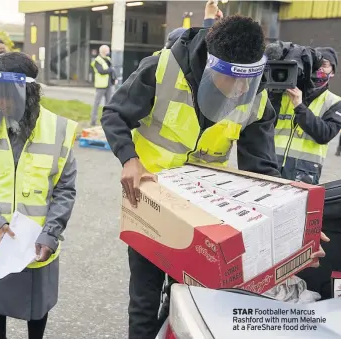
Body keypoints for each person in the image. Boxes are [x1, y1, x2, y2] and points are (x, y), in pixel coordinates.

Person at [100, 15, 327, 339]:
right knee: (144, 300)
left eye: (248, 79)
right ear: (210, 64)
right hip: (151, 200)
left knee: (194, 299)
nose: (240, 89)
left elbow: (261, 166)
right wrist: (129, 159)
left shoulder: (254, 94)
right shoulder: (162, 69)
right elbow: (114, 114)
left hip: (202, 213)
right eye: (231, 79)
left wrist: (294, 227)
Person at [0, 52, 78, 339]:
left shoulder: (57, 130)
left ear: (29, 92)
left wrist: (50, 234)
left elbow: (65, 189)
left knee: (36, 307)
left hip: (37, 243)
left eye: (7, 96)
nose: (0, 103)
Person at [273, 47, 341, 183]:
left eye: (325, 65)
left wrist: (299, 106)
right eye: (317, 64)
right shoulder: (286, 92)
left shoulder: (334, 102)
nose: (320, 69)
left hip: (304, 174)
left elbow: (324, 135)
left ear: (332, 72)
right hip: (272, 165)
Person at [89, 45, 116, 126]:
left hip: (109, 85)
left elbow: (112, 71)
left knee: (108, 105)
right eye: (107, 50)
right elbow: (101, 71)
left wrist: (114, 78)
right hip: (100, 86)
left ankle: (107, 121)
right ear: (104, 51)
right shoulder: (97, 61)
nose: (109, 52)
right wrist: (110, 70)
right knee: (96, 104)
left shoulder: (108, 60)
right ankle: (93, 121)